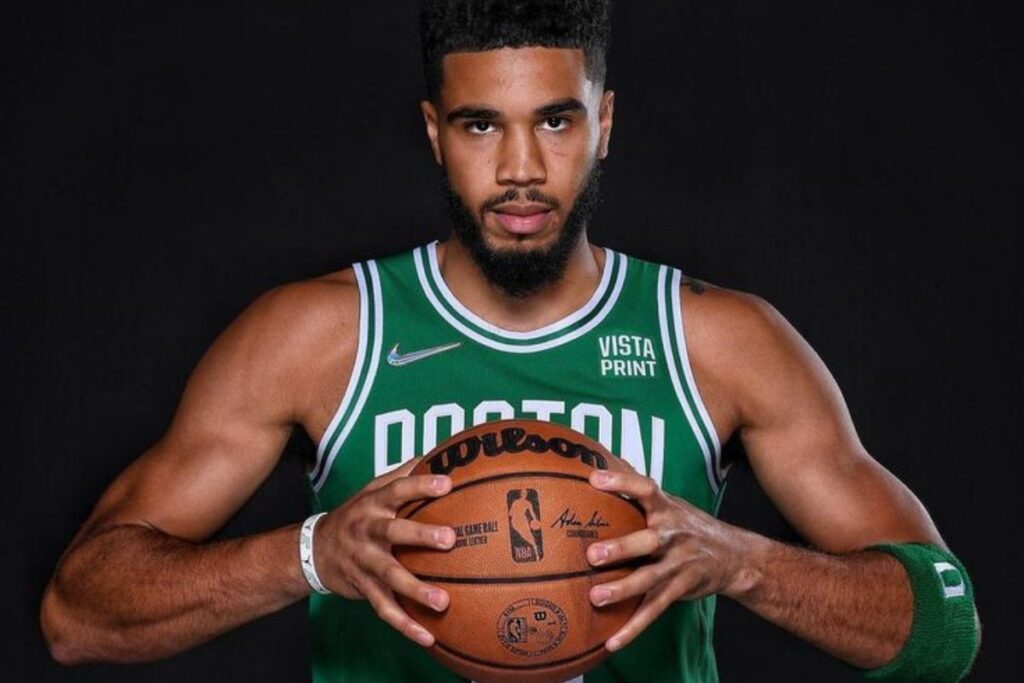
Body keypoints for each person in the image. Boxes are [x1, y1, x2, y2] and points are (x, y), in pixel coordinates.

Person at [40, 1, 980, 681]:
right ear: (434, 134)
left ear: (604, 123)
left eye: (556, 120)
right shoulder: (322, 334)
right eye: (480, 124)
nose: (521, 170)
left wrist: (743, 560)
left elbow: (946, 624)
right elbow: (78, 613)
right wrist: (310, 554)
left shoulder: (716, 340)